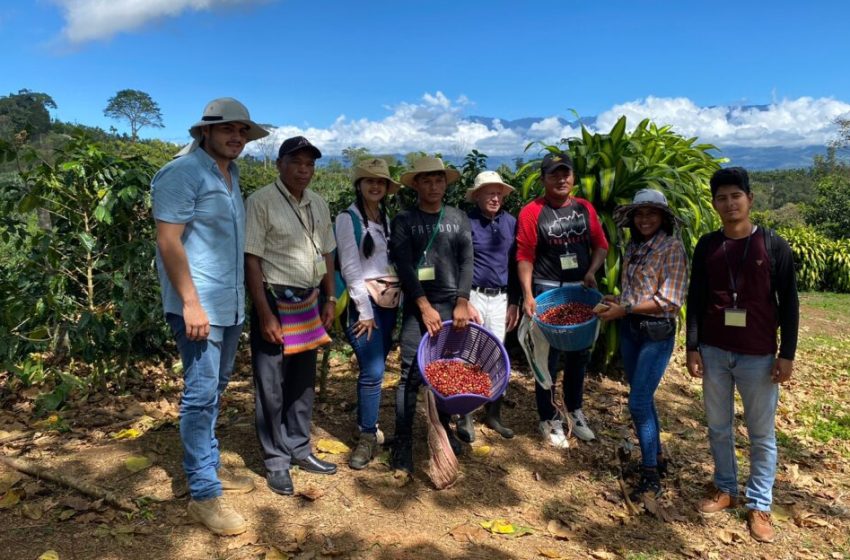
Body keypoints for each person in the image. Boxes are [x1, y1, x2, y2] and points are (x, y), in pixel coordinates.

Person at [152, 98, 268, 536]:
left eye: (242, 131)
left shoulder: (231, 173)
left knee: (215, 389)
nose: (236, 137)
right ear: (205, 132)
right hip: (198, 306)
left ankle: (209, 469)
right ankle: (203, 493)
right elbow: (169, 241)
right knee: (200, 394)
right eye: (228, 130)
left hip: (228, 303)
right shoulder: (182, 173)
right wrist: (190, 302)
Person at [686, 167, 798, 543]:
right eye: (722, 197)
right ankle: (726, 489)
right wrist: (692, 346)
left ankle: (760, 504)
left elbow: (790, 302)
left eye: (736, 195)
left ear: (750, 198)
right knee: (718, 426)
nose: (729, 203)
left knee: (761, 433)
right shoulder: (707, 245)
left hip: (759, 355)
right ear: (714, 203)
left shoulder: (773, 245)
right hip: (715, 351)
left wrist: (787, 353)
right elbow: (696, 299)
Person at [245, 136, 338, 497]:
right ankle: (275, 460)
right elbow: (251, 259)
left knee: (302, 380)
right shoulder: (261, 202)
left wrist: (330, 296)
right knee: (271, 383)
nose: (304, 170)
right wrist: (264, 312)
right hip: (276, 301)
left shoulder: (319, 203)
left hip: (310, 300)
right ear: (279, 164)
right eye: (296, 163)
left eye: (310, 164)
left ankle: (299, 448)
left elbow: (327, 253)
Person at [597, 189, 688, 500]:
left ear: (663, 217)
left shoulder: (671, 248)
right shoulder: (634, 246)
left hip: (656, 334)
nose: (645, 219)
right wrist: (618, 301)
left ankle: (650, 476)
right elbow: (635, 292)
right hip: (631, 330)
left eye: (651, 213)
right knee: (643, 398)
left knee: (637, 403)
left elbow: (670, 301)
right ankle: (657, 458)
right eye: (640, 214)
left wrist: (626, 308)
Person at [516, 151, 608, 447]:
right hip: (547, 291)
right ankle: (549, 417)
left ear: (573, 177)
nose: (561, 178)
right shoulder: (532, 211)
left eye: (565, 173)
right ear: (543, 178)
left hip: (579, 291)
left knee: (579, 355)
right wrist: (528, 294)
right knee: (546, 357)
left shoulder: (584, 208)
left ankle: (574, 411)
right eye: (554, 173)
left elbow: (601, 245)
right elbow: (525, 255)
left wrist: (592, 271)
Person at [389, 156, 474, 473]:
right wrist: (423, 307)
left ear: (445, 184)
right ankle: (402, 444)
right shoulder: (404, 220)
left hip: (452, 306)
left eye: (439, 180)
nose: (434, 186)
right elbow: (405, 266)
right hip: (418, 308)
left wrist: (462, 301)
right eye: (427, 180)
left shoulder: (458, 217)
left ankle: (444, 430)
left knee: (447, 372)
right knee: (410, 377)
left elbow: (467, 261)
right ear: (417, 185)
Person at [335, 158, 401, 469]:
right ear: (359, 184)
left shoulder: (385, 218)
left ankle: (368, 422)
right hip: (365, 306)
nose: (375, 186)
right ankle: (366, 435)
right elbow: (349, 267)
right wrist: (363, 311)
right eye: (369, 181)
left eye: (381, 182)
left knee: (377, 367)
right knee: (373, 371)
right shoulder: (349, 219)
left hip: (388, 303)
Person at [457, 170, 520, 442]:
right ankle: (466, 414)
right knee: (470, 352)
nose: (494, 198)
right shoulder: (466, 221)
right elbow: (459, 261)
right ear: (478, 196)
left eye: (498, 193)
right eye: (489, 193)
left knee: (497, 355)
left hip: (501, 297)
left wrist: (514, 301)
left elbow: (516, 264)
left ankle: (494, 413)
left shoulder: (511, 223)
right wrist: (462, 300)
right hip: (474, 295)